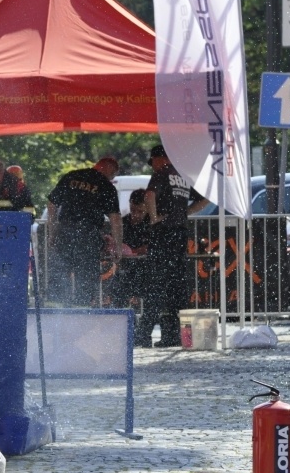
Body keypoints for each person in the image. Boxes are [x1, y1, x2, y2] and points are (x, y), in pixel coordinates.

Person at [134, 145, 209, 348]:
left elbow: (149, 196)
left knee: (156, 285)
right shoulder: (184, 175)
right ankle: (174, 336)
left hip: (163, 233)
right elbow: (205, 198)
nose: (152, 166)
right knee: (177, 287)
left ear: (160, 158)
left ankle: (143, 335)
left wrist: (153, 218)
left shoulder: (162, 173)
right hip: (179, 235)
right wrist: (185, 213)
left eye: (153, 161)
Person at [46, 157, 122, 306]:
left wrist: (52, 233)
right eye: (112, 174)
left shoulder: (72, 176)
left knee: (60, 271)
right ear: (108, 169)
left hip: (65, 231)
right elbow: (115, 218)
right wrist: (118, 246)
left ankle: (55, 309)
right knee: (85, 276)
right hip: (88, 234)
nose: (112, 178)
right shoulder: (106, 186)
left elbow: (51, 205)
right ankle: (82, 309)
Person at [111, 189, 151, 308]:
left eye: (140, 211)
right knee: (117, 293)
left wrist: (130, 251)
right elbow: (113, 243)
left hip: (146, 270)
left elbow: (151, 247)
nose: (136, 215)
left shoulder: (153, 224)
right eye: (133, 210)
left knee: (149, 299)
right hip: (126, 269)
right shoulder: (123, 222)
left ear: (148, 207)